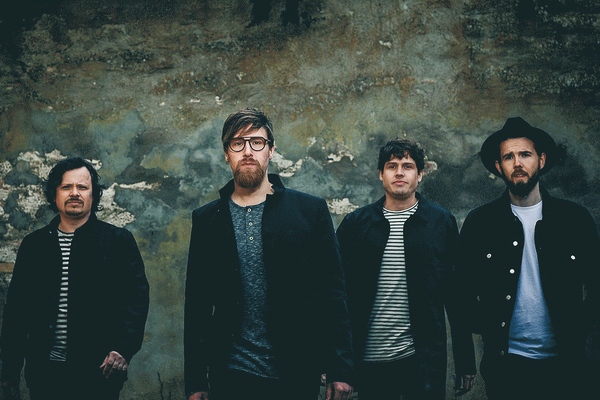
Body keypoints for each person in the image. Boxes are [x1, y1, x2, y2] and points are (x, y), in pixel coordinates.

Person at [183, 108, 354, 400]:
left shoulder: (309, 211)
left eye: (257, 142)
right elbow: (197, 305)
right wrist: (196, 381)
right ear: (226, 154)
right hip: (231, 373)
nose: (248, 151)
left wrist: (341, 369)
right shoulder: (207, 219)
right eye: (238, 143)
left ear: (271, 150)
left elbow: (333, 293)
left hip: (296, 371)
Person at [457, 117, 600, 400]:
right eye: (508, 157)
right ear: (499, 166)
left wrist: (579, 327)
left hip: (566, 365)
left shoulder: (574, 219)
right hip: (506, 366)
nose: (517, 163)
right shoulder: (480, 223)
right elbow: (461, 290)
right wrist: (487, 326)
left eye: (525, 154)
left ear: (541, 160)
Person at [336, 139, 477, 400]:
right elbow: (337, 295)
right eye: (392, 166)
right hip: (369, 361)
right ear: (381, 174)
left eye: (408, 166)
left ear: (420, 174)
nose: (399, 172)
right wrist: (336, 363)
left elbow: (456, 295)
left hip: (421, 363)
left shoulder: (439, 222)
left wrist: (465, 361)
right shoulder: (357, 224)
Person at [0, 157, 150, 400]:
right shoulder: (35, 245)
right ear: (54, 194)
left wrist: (122, 349)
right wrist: (9, 371)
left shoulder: (117, 241)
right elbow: (17, 311)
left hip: (99, 372)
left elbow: (136, 300)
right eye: (66, 187)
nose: (74, 193)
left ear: (93, 194)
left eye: (82, 187)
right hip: (45, 373)